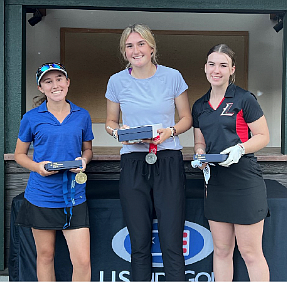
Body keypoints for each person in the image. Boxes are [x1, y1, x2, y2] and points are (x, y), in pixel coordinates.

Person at [105, 24, 192, 281]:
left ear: (152, 47)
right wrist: (119, 133)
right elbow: (111, 122)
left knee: (172, 242)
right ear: (124, 52)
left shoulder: (172, 76)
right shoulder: (116, 81)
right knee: (139, 243)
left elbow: (186, 118)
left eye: (141, 44)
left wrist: (171, 132)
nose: (136, 50)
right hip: (133, 162)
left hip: (167, 159)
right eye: (129, 46)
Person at [192, 44, 270, 281]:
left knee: (250, 252)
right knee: (222, 251)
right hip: (216, 183)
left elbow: (264, 136)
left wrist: (240, 149)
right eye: (212, 64)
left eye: (223, 65)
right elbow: (199, 142)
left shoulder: (244, 99)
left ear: (232, 69)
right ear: (205, 67)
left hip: (245, 182)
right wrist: (200, 156)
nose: (217, 70)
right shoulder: (199, 106)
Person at [14, 62, 94, 281]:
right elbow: (19, 155)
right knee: (46, 256)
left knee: (83, 261)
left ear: (67, 83)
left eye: (59, 79)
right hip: (41, 196)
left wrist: (84, 161)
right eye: (48, 81)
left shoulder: (82, 115)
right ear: (41, 88)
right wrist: (37, 167)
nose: (55, 85)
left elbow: (87, 150)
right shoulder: (31, 117)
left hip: (74, 196)